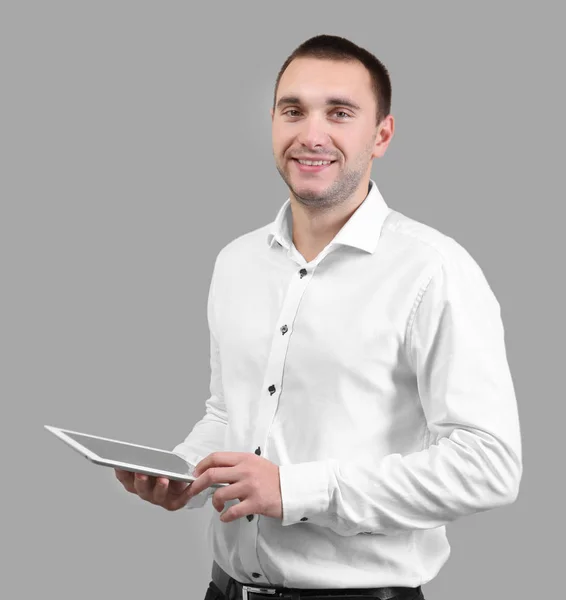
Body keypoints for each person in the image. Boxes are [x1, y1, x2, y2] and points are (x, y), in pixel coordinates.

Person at [115, 34, 522, 600]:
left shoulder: (434, 270)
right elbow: (227, 410)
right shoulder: (236, 262)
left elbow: (488, 465)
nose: (311, 134)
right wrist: (185, 470)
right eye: (293, 110)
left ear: (381, 135)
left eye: (339, 113)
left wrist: (295, 490)